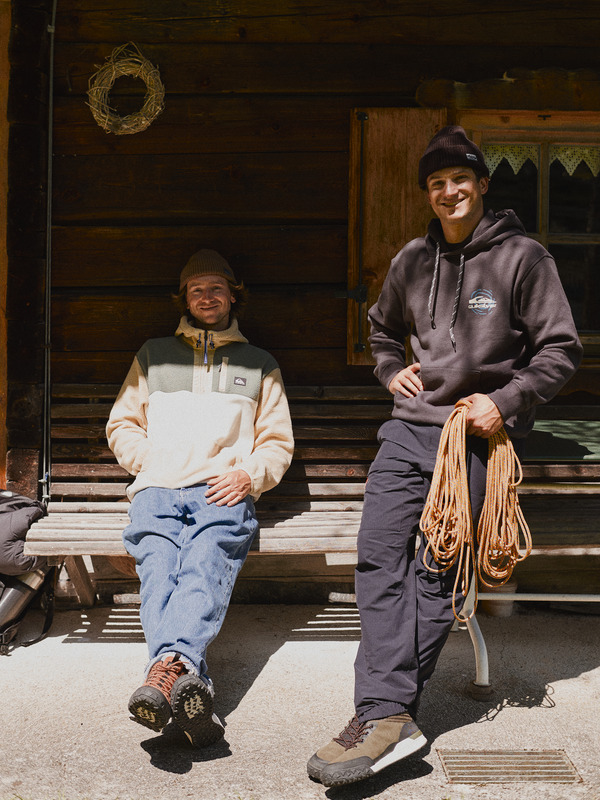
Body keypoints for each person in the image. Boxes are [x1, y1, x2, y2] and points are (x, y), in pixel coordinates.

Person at [308, 126, 583, 787]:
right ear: (427, 194)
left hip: (474, 438)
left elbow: (561, 350)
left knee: (438, 573)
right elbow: (379, 328)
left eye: (460, 180)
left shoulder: (524, 258)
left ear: (482, 184)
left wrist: (508, 399)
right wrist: (388, 368)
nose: (449, 192)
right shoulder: (412, 260)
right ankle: (387, 712)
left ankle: (383, 715)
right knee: (377, 560)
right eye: (436, 184)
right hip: (408, 433)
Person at [107, 249, 294, 746]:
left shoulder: (260, 363)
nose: (206, 297)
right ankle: (191, 684)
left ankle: (162, 675)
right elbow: (122, 423)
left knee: (204, 563)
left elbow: (277, 442)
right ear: (184, 298)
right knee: (159, 567)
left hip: (222, 488)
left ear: (234, 295)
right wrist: (150, 463)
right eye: (196, 289)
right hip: (156, 488)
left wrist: (248, 476)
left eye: (216, 288)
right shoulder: (152, 354)